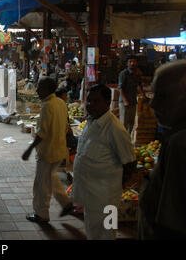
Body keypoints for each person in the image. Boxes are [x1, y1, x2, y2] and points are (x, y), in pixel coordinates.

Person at [73, 84, 136, 240]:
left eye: (96, 101)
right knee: (93, 232)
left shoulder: (115, 129)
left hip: (106, 199)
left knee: (107, 234)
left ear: (107, 103)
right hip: (90, 195)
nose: (90, 105)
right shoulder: (92, 122)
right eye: (89, 101)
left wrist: (114, 189)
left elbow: (130, 162)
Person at [138, 60, 186, 239]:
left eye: (163, 96)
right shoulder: (174, 138)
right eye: (153, 95)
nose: (152, 105)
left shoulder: (179, 144)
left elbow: (171, 222)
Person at [22, 77, 74, 223]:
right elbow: (66, 127)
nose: (37, 90)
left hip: (47, 151)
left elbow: (42, 133)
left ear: (47, 90)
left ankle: (41, 214)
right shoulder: (61, 103)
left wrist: (29, 149)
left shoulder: (47, 106)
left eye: (40, 88)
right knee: (51, 177)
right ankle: (66, 203)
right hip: (59, 149)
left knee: (41, 185)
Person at [118, 55, 148, 134]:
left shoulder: (137, 74)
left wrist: (144, 96)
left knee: (131, 122)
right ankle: (121, 141)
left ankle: (128, 139)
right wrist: (125, 101)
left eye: (134, 61)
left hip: (133, 101)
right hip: (124, 102)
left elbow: (139, 85)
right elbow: (120, 88)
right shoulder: (124, 74)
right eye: (130, 62)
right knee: (124, 122)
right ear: (127, 63)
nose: (132, 63)